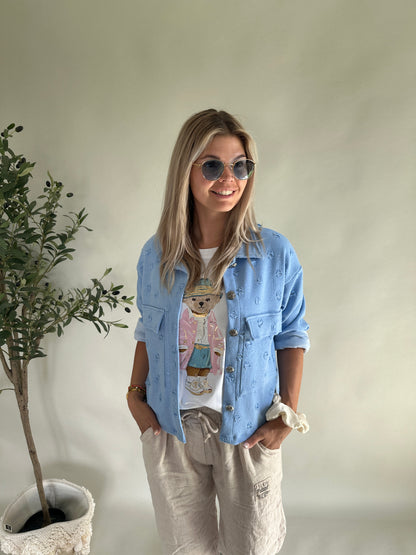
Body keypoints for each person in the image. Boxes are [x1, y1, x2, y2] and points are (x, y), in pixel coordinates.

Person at [127, 109, 310, 555]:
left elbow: (291, 333)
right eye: (212, 165)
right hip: (170, 428)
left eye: (240, 166)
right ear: (185, 170)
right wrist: (135, 397)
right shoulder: (156, 255)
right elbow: (147, 328)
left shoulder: (274, 253)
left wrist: (287, 415)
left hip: (248, 429)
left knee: (253, 547)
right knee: (185, 548)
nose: (229, 178)